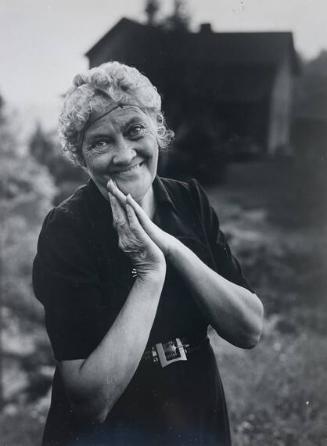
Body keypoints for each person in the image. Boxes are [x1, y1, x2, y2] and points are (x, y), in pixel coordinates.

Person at [33, 61, 264, 446]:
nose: (124, 155)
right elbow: (90, 402)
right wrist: (149, 272)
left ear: (157, 130)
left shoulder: (188, 199)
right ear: (82, 157)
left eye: (134, 130)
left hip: (196, 410)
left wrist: (171, 246)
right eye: (100, 142)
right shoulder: (67, 229)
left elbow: (249, 329)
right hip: (114, 431)